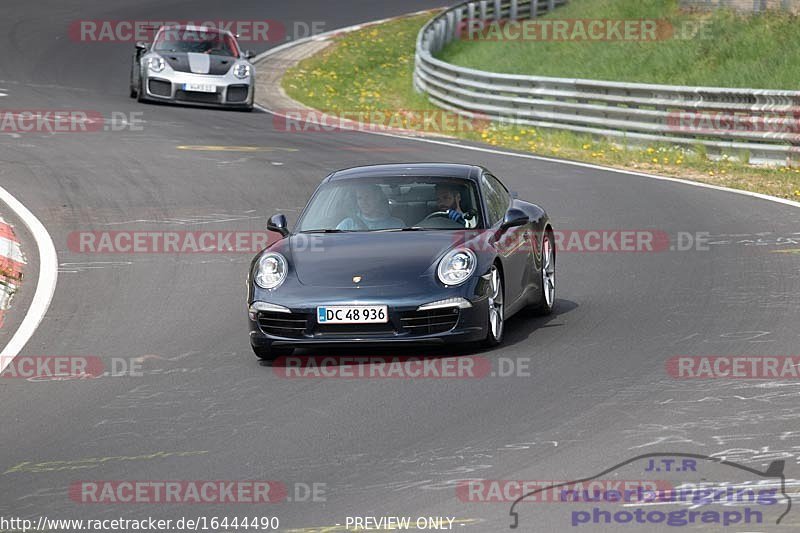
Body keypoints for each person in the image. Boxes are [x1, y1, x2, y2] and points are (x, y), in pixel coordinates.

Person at [337, 184, 405, 230]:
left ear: (377, 198)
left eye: (367, 197)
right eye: (360, 198)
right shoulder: (347, 225)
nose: (363, 202)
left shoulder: (397, 225)